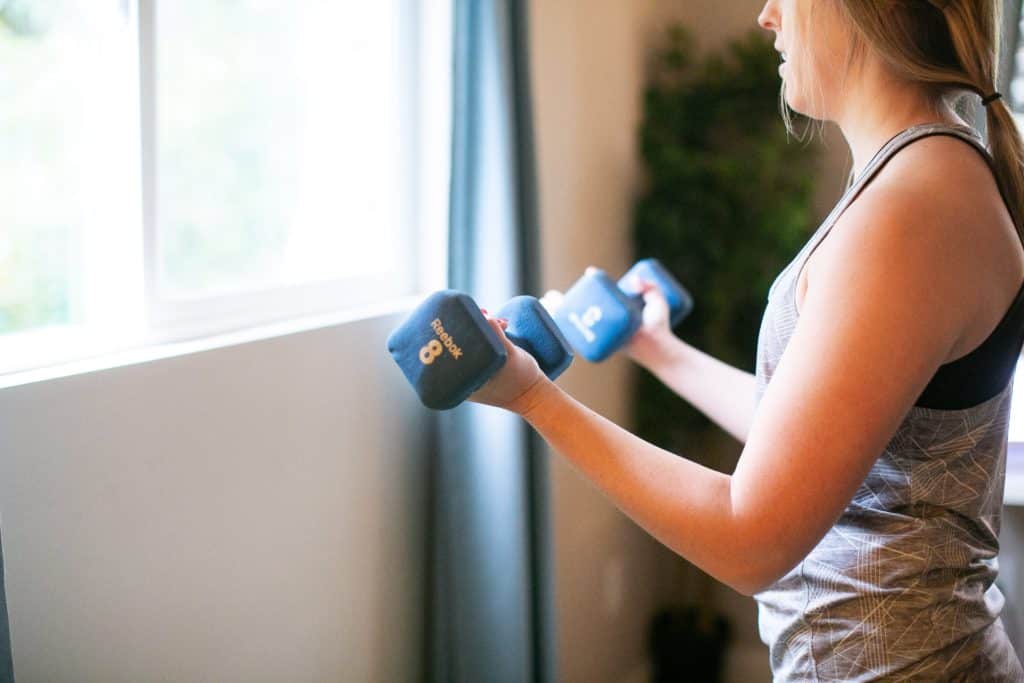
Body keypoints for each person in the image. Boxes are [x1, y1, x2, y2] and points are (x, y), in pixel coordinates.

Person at [470, 0, 1024, 680]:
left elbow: (751, 538)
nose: (766, 17)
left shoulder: (913, 209)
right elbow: (807, 435)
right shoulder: (919, 177)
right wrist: (659, 349)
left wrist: (533, 397)